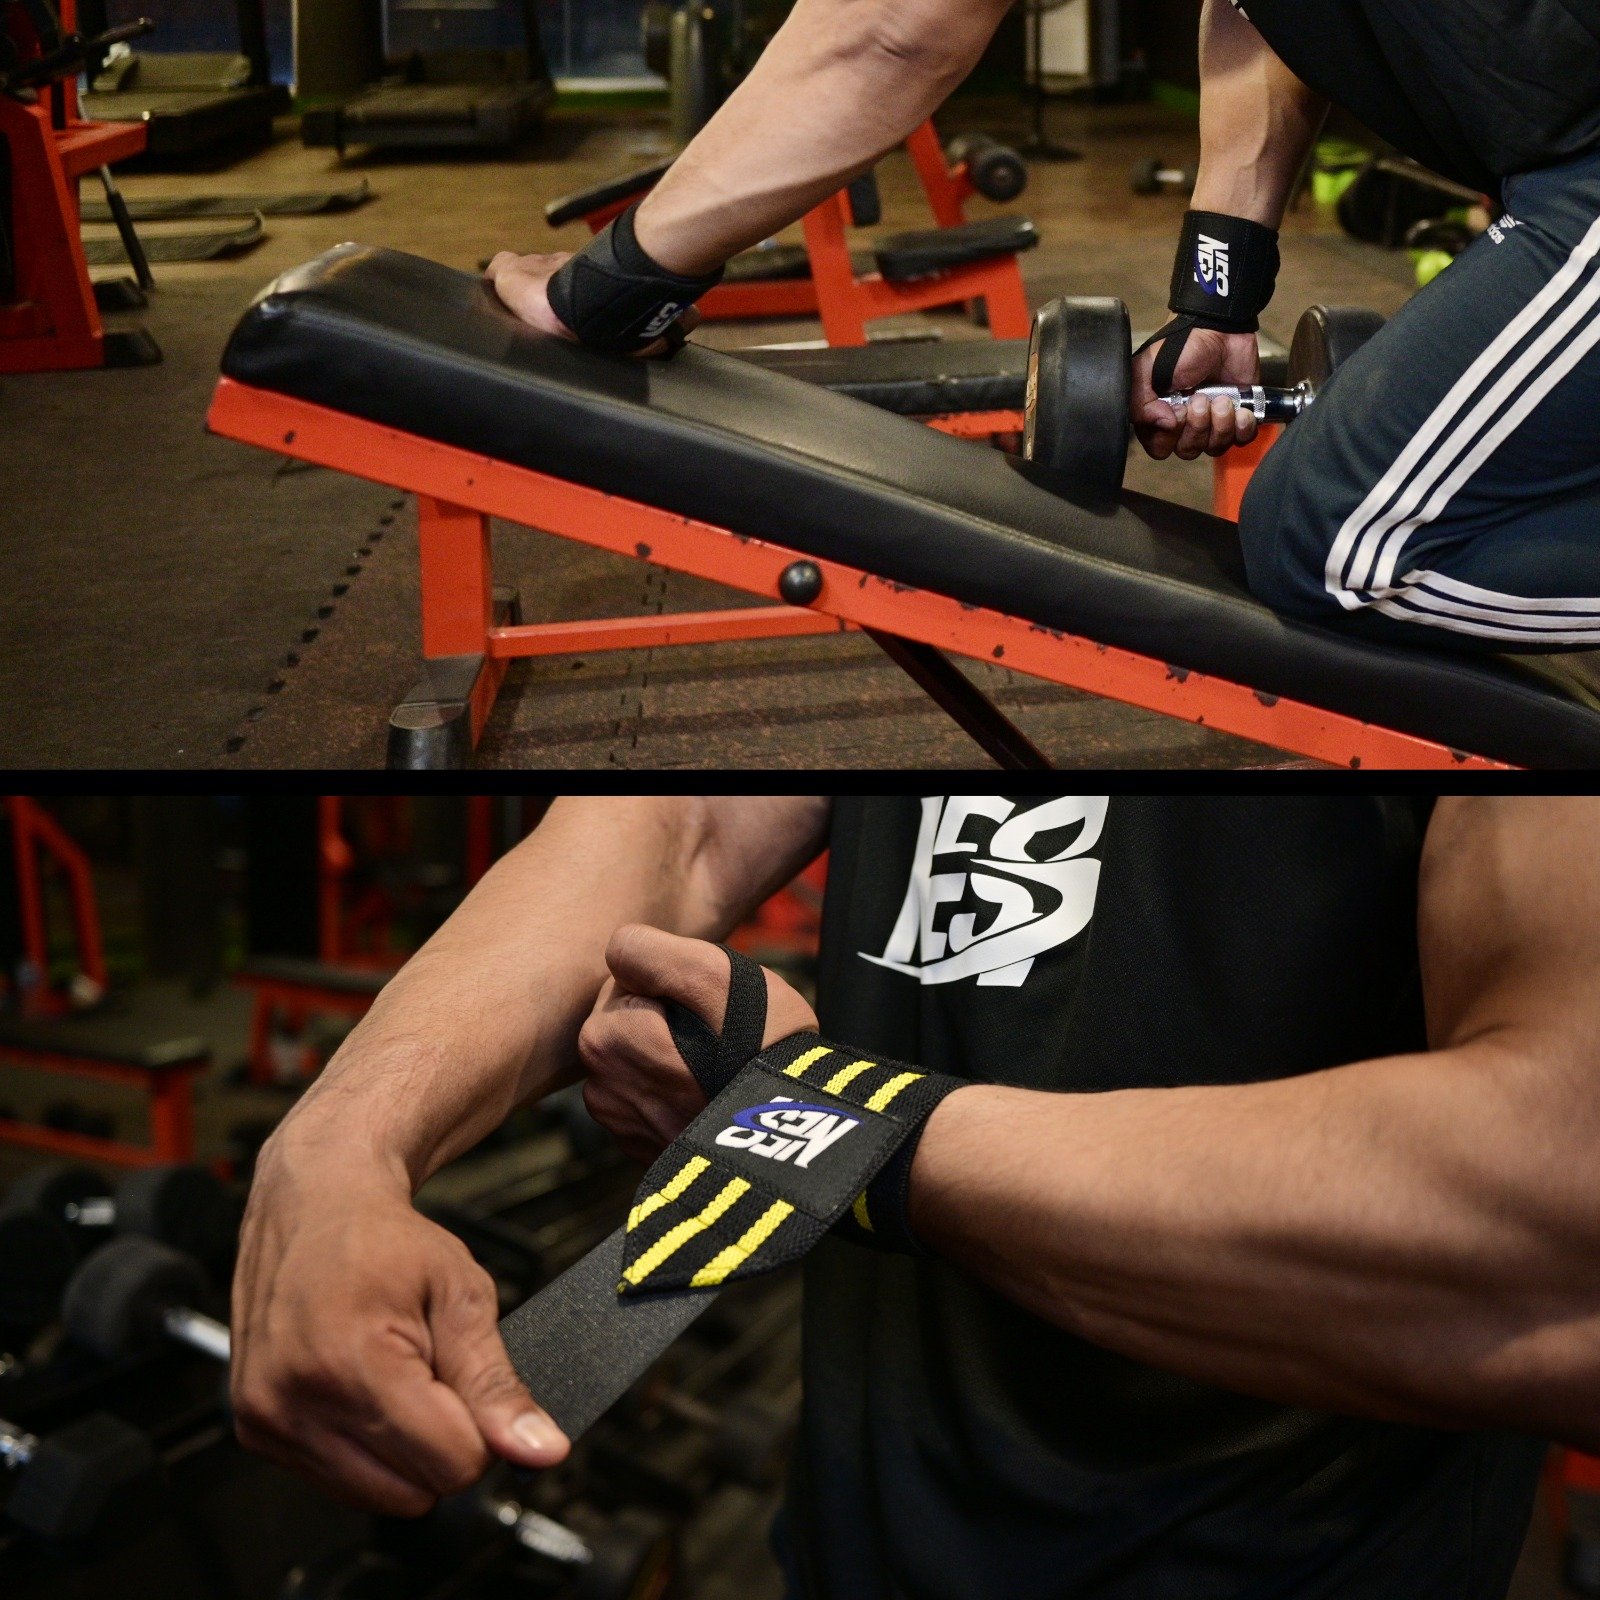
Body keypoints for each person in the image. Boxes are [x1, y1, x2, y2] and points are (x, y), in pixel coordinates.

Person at [233, 795, 1600, 1599]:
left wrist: (848, 1132)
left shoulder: (1495, 588)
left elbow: (1560, 1217)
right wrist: (338, 1151)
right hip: (859, 1549)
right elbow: (669, 825)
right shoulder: (941, 545)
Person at [486, 0, 1600, 650]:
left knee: (1342, 543)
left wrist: (614, 285)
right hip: (1554, 169)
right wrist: (1218, 291)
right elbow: (1261, 12)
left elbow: (886, 33)